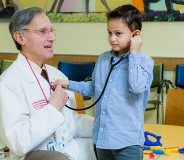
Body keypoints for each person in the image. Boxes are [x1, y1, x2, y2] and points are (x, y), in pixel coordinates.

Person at [0, 7, 96, 160]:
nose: (52, 38)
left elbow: (71, 122)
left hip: (61, 147)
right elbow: (20, 143)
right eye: (43, 32)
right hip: (25, 155)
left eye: (52, 31)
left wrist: (105, 126)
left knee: (112, 144)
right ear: (20, 38)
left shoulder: (57, 74)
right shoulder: (9, 83)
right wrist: (53, 107)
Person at [53, 4, 154, 160]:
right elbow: (95, 88)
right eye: (109, 33)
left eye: (118, 33)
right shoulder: (103, 59)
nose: (112, 38)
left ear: (135, 35)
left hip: (127, 142)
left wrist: (134, 54)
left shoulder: (144, 62)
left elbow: (137, 87)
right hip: (102, 139)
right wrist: (69, 84)